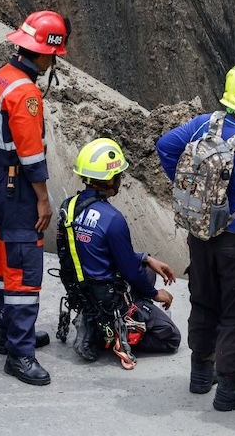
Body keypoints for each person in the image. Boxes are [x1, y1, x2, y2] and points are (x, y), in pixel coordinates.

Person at [156, 60, 235, 411]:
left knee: (204, 301)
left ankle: (200, 373)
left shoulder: (202, 125)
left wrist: (190, 194)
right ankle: (230, 388)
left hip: (200, 237)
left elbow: (165, 147)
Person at [0, 10, 70, 386]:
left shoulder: (0, 77)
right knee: (23, 267)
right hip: (19, 189)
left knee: (4, 260)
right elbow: (32, 156)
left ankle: (9, 333)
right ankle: (19, 352)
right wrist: (44, 200)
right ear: (45, 54)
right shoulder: (28, 94)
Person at [57, 137, 180, 366]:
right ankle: (106, 333)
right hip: (107, 299)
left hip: (82, 292)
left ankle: (95, 320)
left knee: (146, 270)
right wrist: (155, 295)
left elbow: (91, 252)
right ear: (110, 179)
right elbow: (130, 271)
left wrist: (147, 258)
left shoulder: (69, 207)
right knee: (170, 336)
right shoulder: (112, 219)